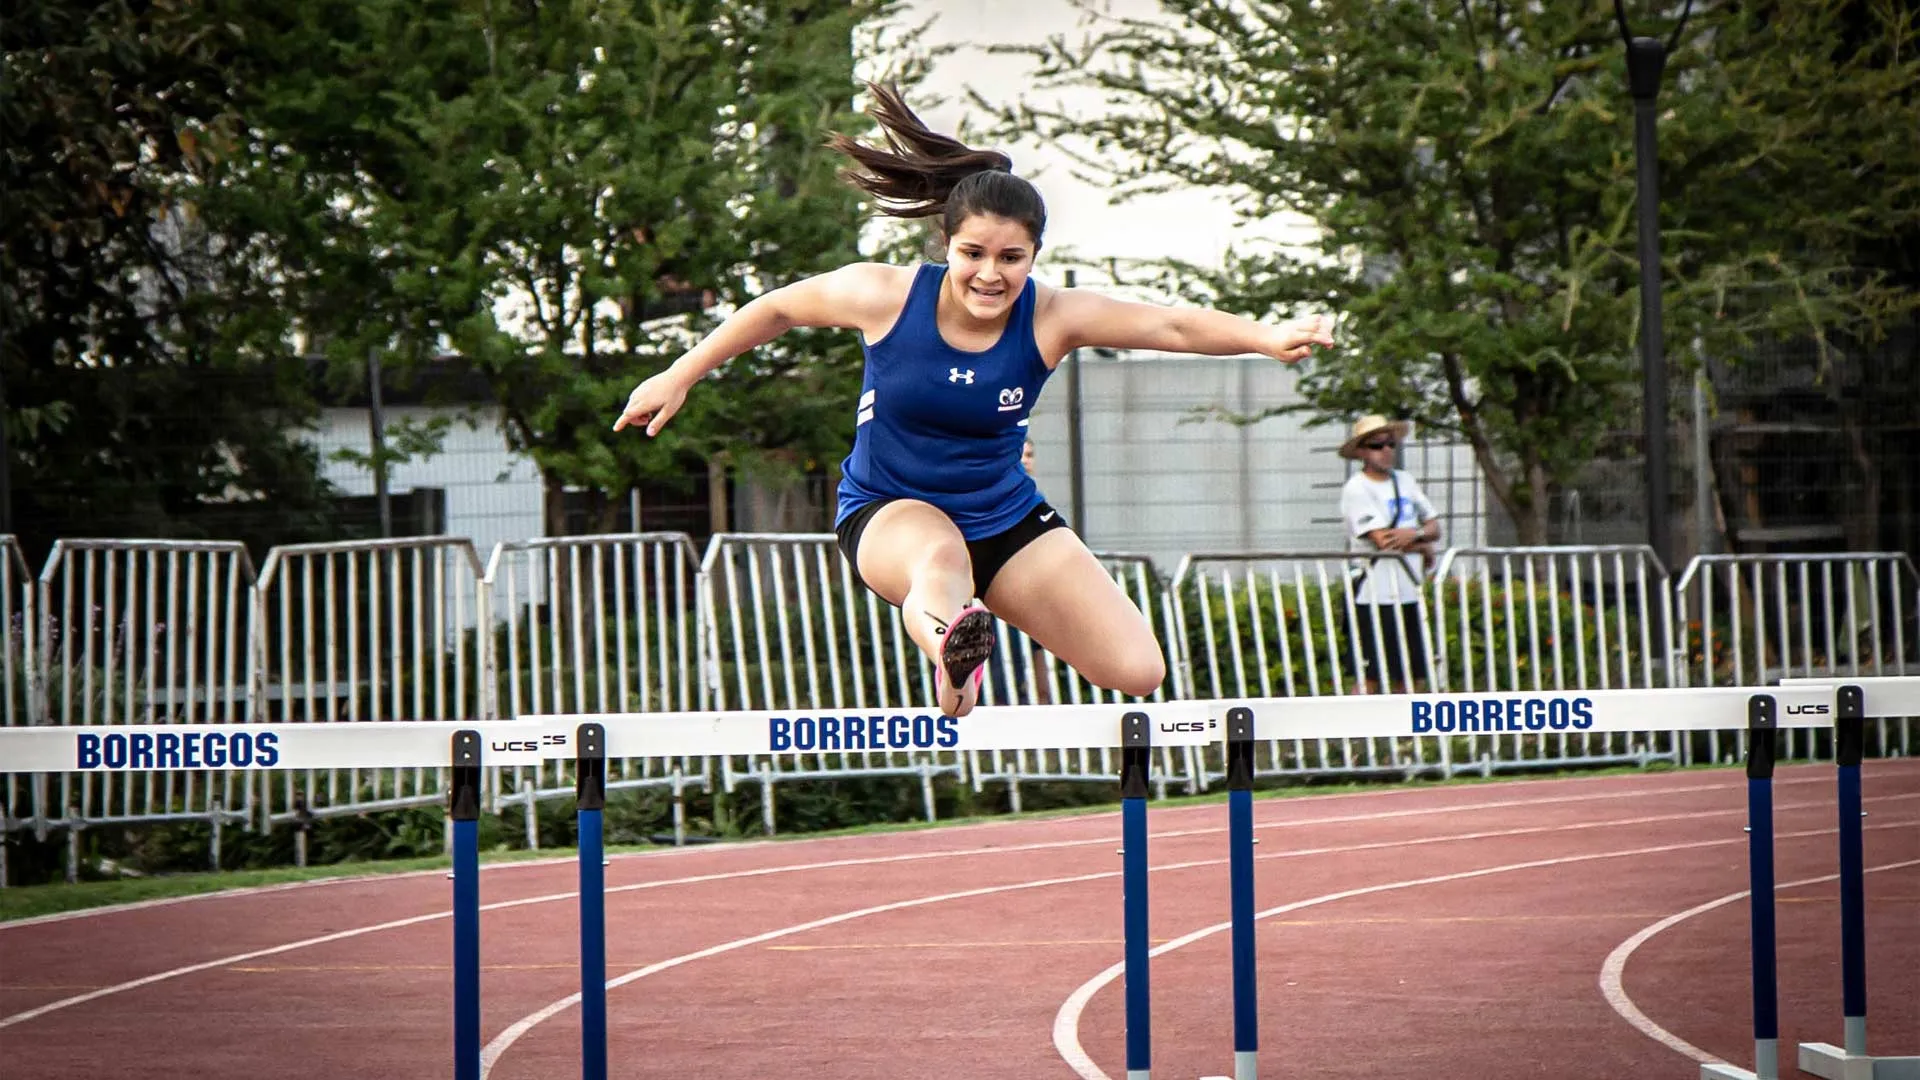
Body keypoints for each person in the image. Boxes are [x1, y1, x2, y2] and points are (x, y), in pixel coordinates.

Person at [615, 83, 1335, 717]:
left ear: (1035, 256)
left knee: (1138, 670)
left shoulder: (1052, 317)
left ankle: (961, 657)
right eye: (973, 255)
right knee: (939, 555)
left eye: (1011, 258)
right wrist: (680, 374)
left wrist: (1266, 337)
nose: (990, 276)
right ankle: (954, 647)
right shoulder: (886, 295)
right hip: (892, 511)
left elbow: (1170, 325)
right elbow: (776, 308)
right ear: (947, 245)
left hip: (1005, 517)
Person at [1337, 415, 1440, 694]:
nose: (1385, 451)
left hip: (1409, 590)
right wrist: (1421, 543)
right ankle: (1357, 722)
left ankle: (1405, 723)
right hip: (1374, 592)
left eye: (1390, 444)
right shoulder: (1357, 488)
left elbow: (1434, 526)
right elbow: (1384, 540)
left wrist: (1415, 535)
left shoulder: (1405, 481)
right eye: (1376, 445)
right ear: (1361, 451)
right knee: (1370, 674)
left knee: (1412, 673)